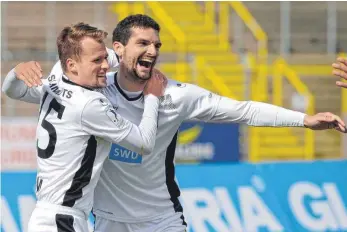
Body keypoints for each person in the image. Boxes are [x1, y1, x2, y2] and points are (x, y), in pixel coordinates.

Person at [3, 15, 346, 232]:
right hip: (106, 220)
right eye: (143, 43)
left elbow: (244, 110)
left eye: (156, 44)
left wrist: (305, 120)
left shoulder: (177, 96)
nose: (152, 50)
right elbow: (45, 93)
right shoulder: (95, 91)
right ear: (118, 50)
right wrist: (17, 71)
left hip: (160, 220)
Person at [2, 22, 166, 232]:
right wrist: (152, 96)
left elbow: (13, 90)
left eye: (105, 58)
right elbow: (143, 143)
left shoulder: (55, 80)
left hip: (48, 217)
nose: (106, 65)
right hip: (63, 220)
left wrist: (16, 72)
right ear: (72, 65)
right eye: (97, 61)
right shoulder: (88, 105)